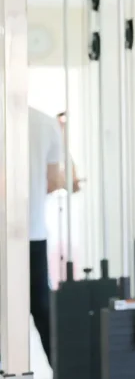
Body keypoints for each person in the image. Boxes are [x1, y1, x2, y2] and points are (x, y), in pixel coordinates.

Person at [28, 106, 66, 365]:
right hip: (31, 232)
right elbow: (53, 181)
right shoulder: (45, 123)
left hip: (26, 232)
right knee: (41, 307)